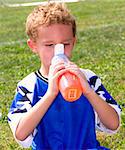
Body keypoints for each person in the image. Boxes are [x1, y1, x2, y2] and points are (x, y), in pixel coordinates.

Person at [8, 2, 121, 150]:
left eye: (65, 44)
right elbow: (20, 134)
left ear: (73, 42)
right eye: (49, 45)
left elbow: (113, 124)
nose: (58, 52)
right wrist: (50, 94)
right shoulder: (29, 85)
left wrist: (88, 92)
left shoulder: (87, 78)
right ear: (33, 46)